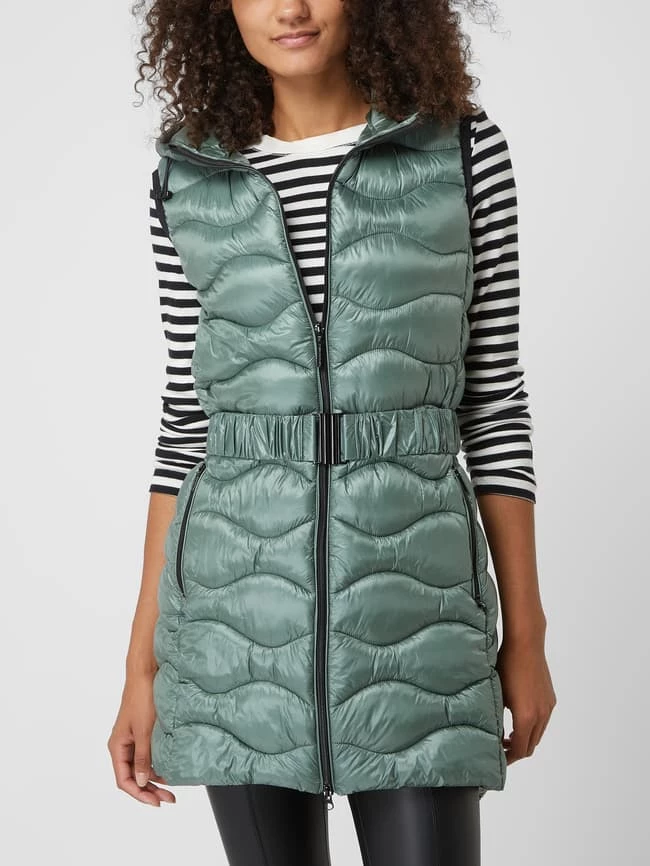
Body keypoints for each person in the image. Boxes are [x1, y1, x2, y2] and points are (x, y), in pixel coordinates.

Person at [108, 1, 556, 863]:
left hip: (419, 618)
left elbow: (494, 403)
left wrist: (526, 640)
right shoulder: (190, 175)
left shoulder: (461, 152)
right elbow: (188, 425)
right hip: (233, 627)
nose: (290, 8)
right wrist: (142, 668)